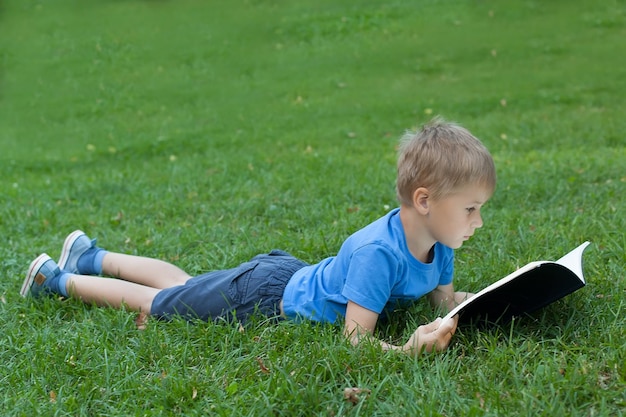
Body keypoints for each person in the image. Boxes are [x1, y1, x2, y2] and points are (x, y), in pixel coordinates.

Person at [20, 117, 496, 356]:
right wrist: (408, 349)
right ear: (425, 201)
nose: (477, 222)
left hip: (287, 278)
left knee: (186, 284)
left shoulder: (439, 246)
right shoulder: (379, 254)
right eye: (470, 209)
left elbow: (444, 301)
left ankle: (90, 254)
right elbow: (356, 341)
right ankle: (56, 281)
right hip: (263, 299)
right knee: (162, 302)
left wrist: (496, 297)